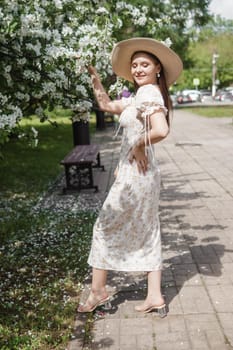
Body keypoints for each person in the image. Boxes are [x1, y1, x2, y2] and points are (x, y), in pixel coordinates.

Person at [77, 37, 183, 317]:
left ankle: (98, 291)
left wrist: (137, 145)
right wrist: (94, 77)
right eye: (134, 65)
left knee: (103, 227)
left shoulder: (149, 93)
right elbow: (105, 105)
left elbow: (161, 129)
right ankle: (155, 295)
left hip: (136, 176)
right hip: (141, 174)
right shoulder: (139, 96)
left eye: (144, 64)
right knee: (149, 228)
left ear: (157, 67)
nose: (137, 69)